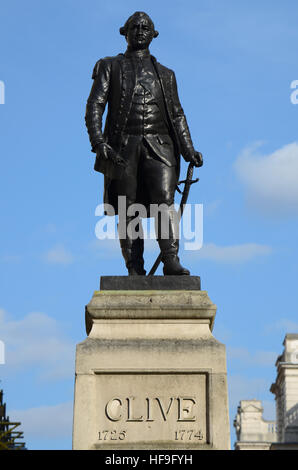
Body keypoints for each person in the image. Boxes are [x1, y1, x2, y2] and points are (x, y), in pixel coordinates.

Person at [85, 11, 203, 275]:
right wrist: (98, 140)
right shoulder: (109, 66)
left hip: (160, 146)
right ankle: (135, 268)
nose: (140, 30)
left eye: (145, 27)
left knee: (164, 200)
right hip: (122, 148)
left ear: (153, 34)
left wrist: (188, 149)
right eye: (134, 27)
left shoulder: (166, 74)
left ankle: (170, 259)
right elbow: (95, 104)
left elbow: (177, 113)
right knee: (129, 208)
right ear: (124, 32)